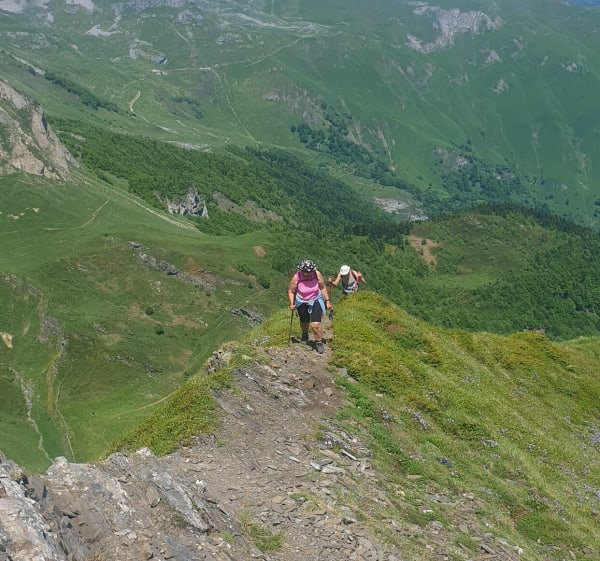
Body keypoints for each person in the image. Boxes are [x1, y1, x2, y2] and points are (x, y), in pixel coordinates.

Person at [288, 259, 332, 354]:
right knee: (304, 321)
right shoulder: (297, 277)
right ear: (301, 270)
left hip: (316, 299)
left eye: (309, 272)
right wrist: (292, 303)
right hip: (301, 301)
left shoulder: (317, 274)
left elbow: (322, 287)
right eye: (305, 272)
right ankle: (305, 335)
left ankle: (318, 342)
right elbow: (291, 291)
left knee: (315, 324)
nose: (307, 274)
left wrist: (327, 301)